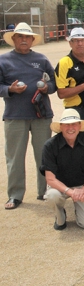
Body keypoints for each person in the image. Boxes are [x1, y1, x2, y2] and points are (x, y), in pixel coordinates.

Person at [1, 23, 57, 208]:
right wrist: (10, 89)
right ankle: (15, 194)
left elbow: (54, 84)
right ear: (13, 39)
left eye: (27, 37)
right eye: (20, 37)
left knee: (44, 155)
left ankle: (44, 191)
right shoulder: (4, 60)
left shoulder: (41, 59)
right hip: (15, 115)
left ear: (32, 40)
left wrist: (46, 87)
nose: (24, 40)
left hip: (41, 114)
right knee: (15, 157)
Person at [41, 109, 84, 230]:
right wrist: (70, 192)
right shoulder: (50, 145)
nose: (70, 128)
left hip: (83, 185)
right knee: (52, 195)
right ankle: (60, 216)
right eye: (67, 124)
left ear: (79, 126)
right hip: (59, 186)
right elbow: (50, 179)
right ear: (61, 127)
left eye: (74, 124)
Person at [55, 27, 84, 160]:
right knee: (79, 148)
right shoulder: (64, 63)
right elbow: (61, 93)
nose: (80, 43)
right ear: (70, 43)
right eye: (76, 41)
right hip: (76, 111)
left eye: (82, 40)